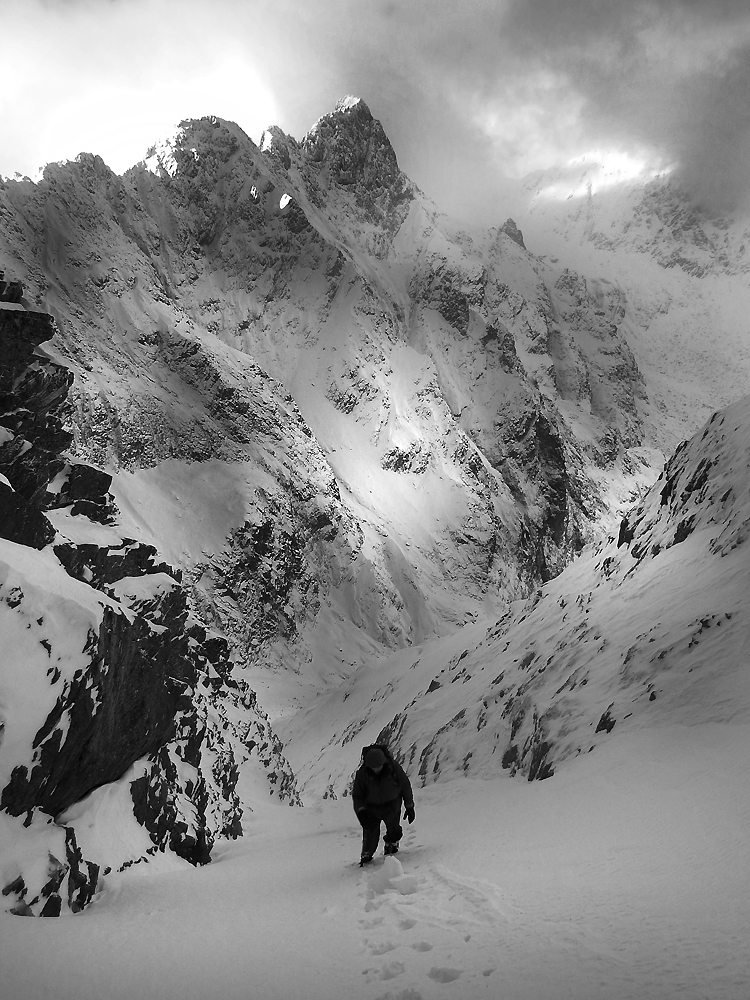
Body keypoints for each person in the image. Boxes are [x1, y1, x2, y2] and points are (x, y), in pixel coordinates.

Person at [352, 745, 415, 865]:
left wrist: (409, 806)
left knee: (394, 828)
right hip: (371, 807)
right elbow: (358, 795)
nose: (376, 770)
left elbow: (405, 786)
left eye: (378, 766)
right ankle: (367, 854)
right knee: (370, 832)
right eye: (373, 767)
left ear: (384, 762)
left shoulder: (393, 768)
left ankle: (391, 845)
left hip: (392, 804)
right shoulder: (363, 773)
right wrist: (361, 812)